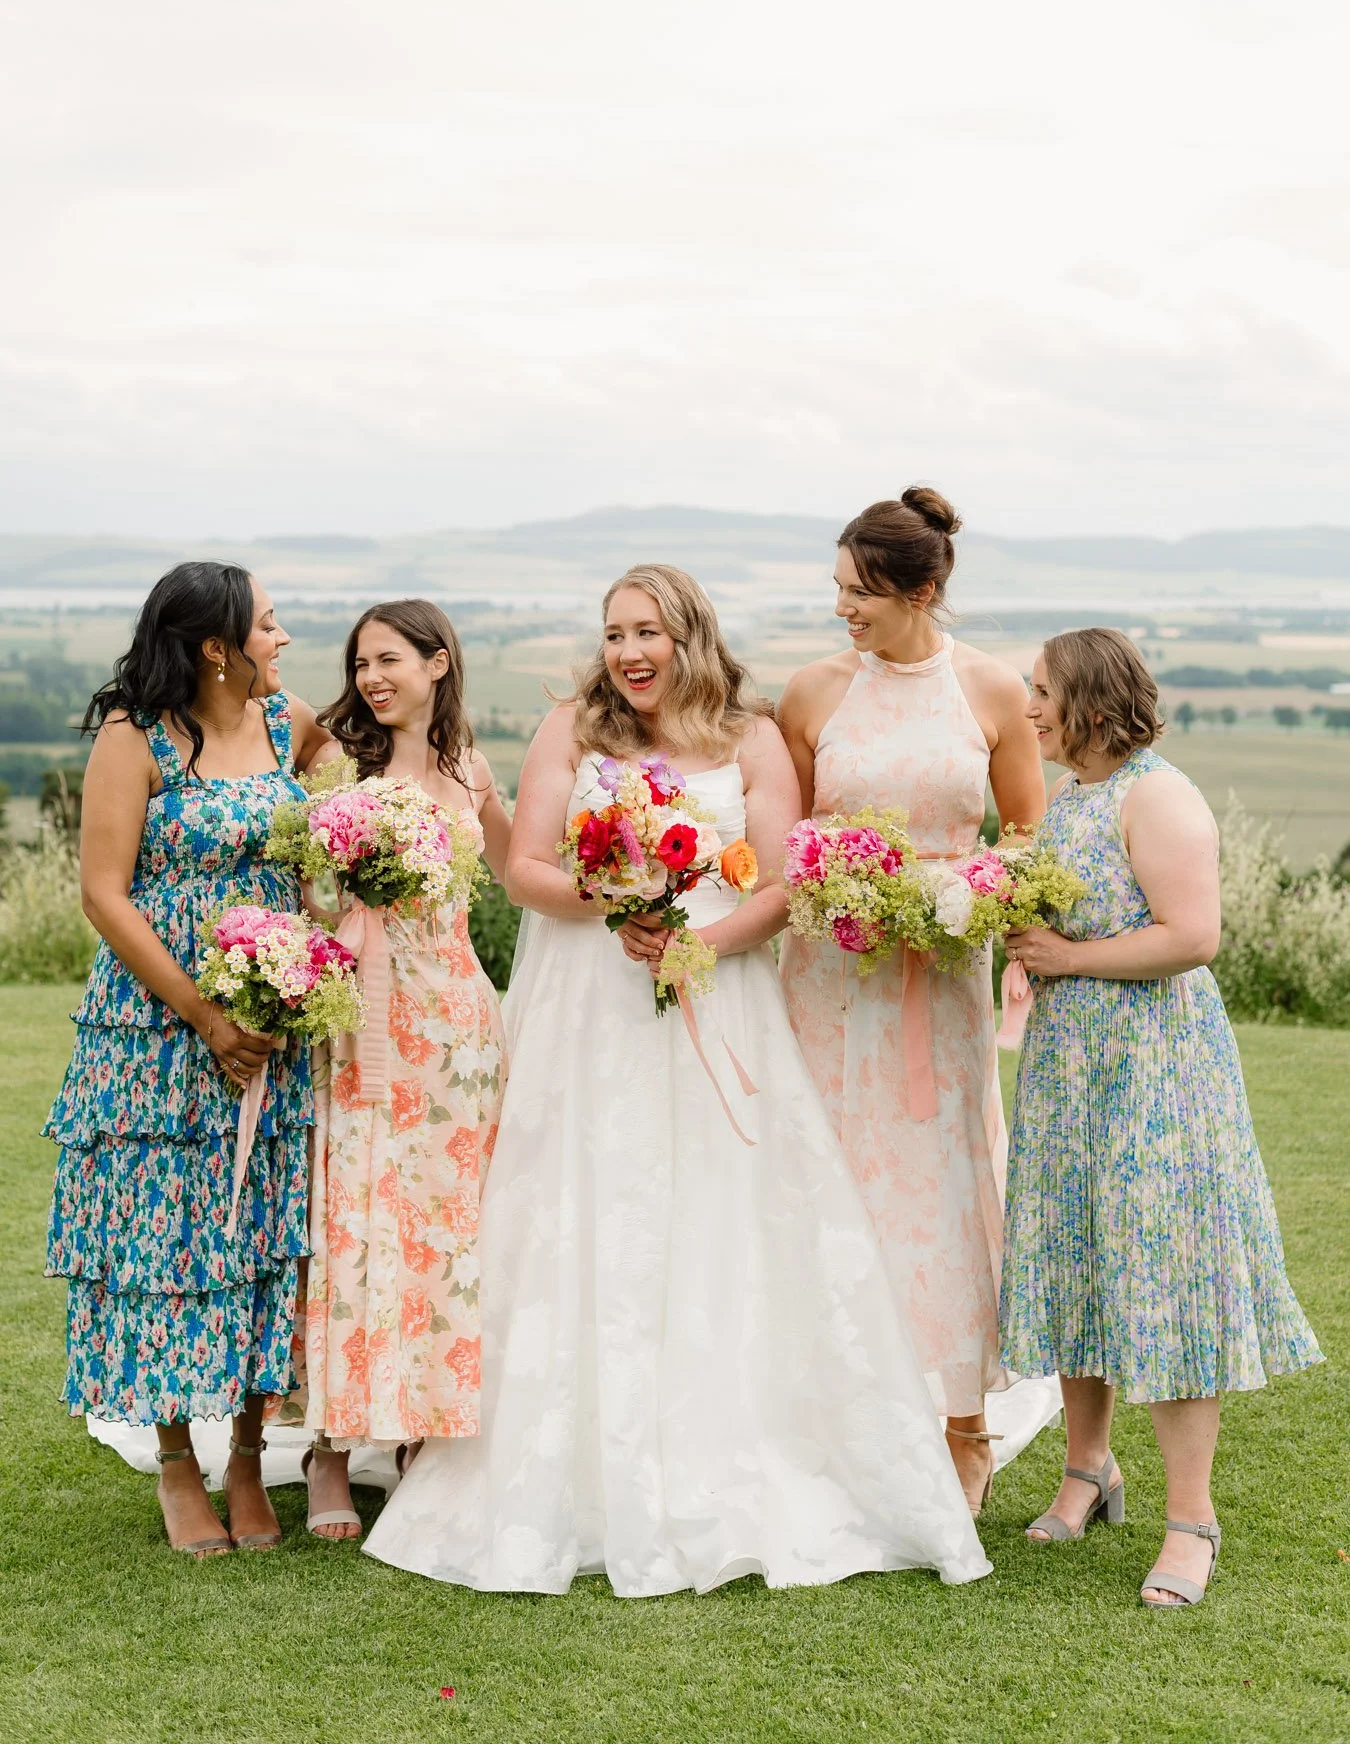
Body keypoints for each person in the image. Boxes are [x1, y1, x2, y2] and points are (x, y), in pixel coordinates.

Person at [363, 564, 991, 1595]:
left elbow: (782, 881)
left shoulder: (752, 738)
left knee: (722, 1209)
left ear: (690, 635)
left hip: (718, 994)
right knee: (583, 1205)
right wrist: (615, 904)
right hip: (590, 1002)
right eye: (614, 634)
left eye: (647, 632)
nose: (628, 653)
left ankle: (732, 1447)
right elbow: (526, 869)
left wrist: (701, 946)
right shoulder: (572, 727)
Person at [999, 627, 1322, 1607]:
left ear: (1094, 704)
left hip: (1156, 1071)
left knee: (1165, 1274)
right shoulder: (1072, 797)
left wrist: (1065, 957)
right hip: (1068, 1069)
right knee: (1078, 1259)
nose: (1028, 707)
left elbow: (1194, 936)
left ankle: (1192, 1522)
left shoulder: (1159, 795)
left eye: (1043, 690)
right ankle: (1088, 1470)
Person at [44, 563, 328, 1557]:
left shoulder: (290, 722)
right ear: (216, 646)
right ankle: (176, 1462)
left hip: (274, 1021)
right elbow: (104, 892)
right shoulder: (137, 736)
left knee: (261, 1231)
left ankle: (248, 1456)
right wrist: (204, 1014)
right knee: (161, 1235)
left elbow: (351, 798)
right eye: (269, 624)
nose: (283, 639)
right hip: (156, 1031)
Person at [777, 489, 1045, 1513]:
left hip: (940, 980)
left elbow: (1025, 834)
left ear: (920, 592)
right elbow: (784, 831)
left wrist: (960, 895)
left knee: (940, 1184)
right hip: (828, 980)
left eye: (861, 593)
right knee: (832, 1175)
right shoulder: (811, 693)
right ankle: (832, 1416)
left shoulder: (991, 690)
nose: (842, 608)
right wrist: (836, 882)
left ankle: (963, 1424)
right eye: (838, 589)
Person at [299, 600, 510, 1540]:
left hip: (457, 1024)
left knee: (444, 1225)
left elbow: (522, 875)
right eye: (360, 664)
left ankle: (425, 1425)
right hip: (364, 1018)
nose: (371, 678)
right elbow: (301, 889)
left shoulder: (472, 771)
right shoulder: (337, 767)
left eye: (388, 659)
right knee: (357, 1216)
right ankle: (331, 1448)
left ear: (437, 663)